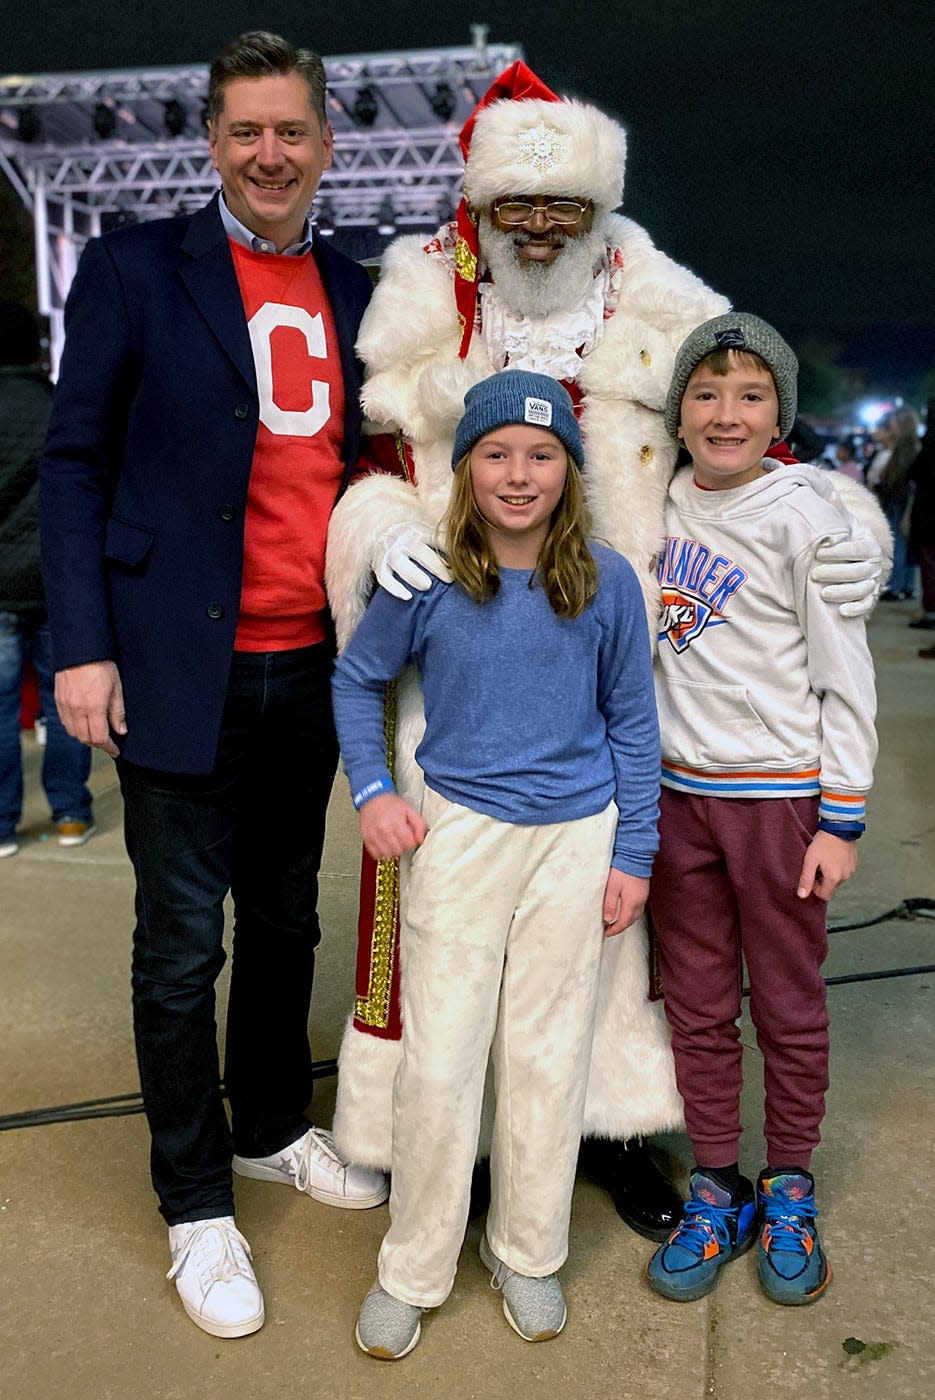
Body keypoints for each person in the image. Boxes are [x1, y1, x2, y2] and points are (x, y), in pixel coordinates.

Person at [324, 62, 891, 1238]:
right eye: (515, 207)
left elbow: (734, 466)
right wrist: (380, 539)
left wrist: (846, 526)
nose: (536, 227)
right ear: (479, 207)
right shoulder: (428, 307)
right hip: (462, 674)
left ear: (596, 212)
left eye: (561, 207)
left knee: (614, 930)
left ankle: (614, 1130)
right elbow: (374, 472)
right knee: (451, 930)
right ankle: (453, 1140)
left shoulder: (654, 309)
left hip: (626, 680)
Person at [39, 31, 387, 1340]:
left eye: (288, 129)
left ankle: (268, 1128)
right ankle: (194, 1200)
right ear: (212, 143)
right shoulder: (136, 271)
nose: (268, 152)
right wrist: (82, 643)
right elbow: (74, 467)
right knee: (181, 943)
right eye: (244, 130)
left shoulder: (360, 291)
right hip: (177, 664)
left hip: (313, 664)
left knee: (290, 919)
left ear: (323, 142)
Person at [332, 370, 661, 1357]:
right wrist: (372, 791)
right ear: (466, 465)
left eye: (540, 453)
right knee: (438, 1061)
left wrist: (632, 852)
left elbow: (633, 726)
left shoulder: (605, 581)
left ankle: (525, 1249)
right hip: (462, 837)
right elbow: (358, 681)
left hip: (576, 838)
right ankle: (413, 1263)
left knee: (546, 1055)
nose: (518, 475)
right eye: (495, 453)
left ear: (567, 467)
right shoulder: (428, 575)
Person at [645, 315, 877, 1306]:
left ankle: (787, 1178)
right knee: (694, 1005)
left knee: (784, 1004)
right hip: (675, 797)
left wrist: (840, 816)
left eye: (747, 394)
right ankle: (714, 1182)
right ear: (678, 413)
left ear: (778, 410)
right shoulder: (661, 504)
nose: (724, 412)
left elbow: (844, 673)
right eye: (703, 392)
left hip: (778, 798)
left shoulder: (807, 516)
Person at [1, 301, 93, 857]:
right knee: (65, 706)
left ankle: (3, 823)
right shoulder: (57, 404)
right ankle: (68, 814)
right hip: (56, 580)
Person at [874, 406, 921, 600]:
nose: (890, 425)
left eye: (893, 422)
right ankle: (908, 586)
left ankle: (895, 586)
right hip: (909, 503)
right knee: (908, 546)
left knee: (898, 545)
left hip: (897, 503)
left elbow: (896, 479)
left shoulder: (902, 450)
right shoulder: (916, 447)